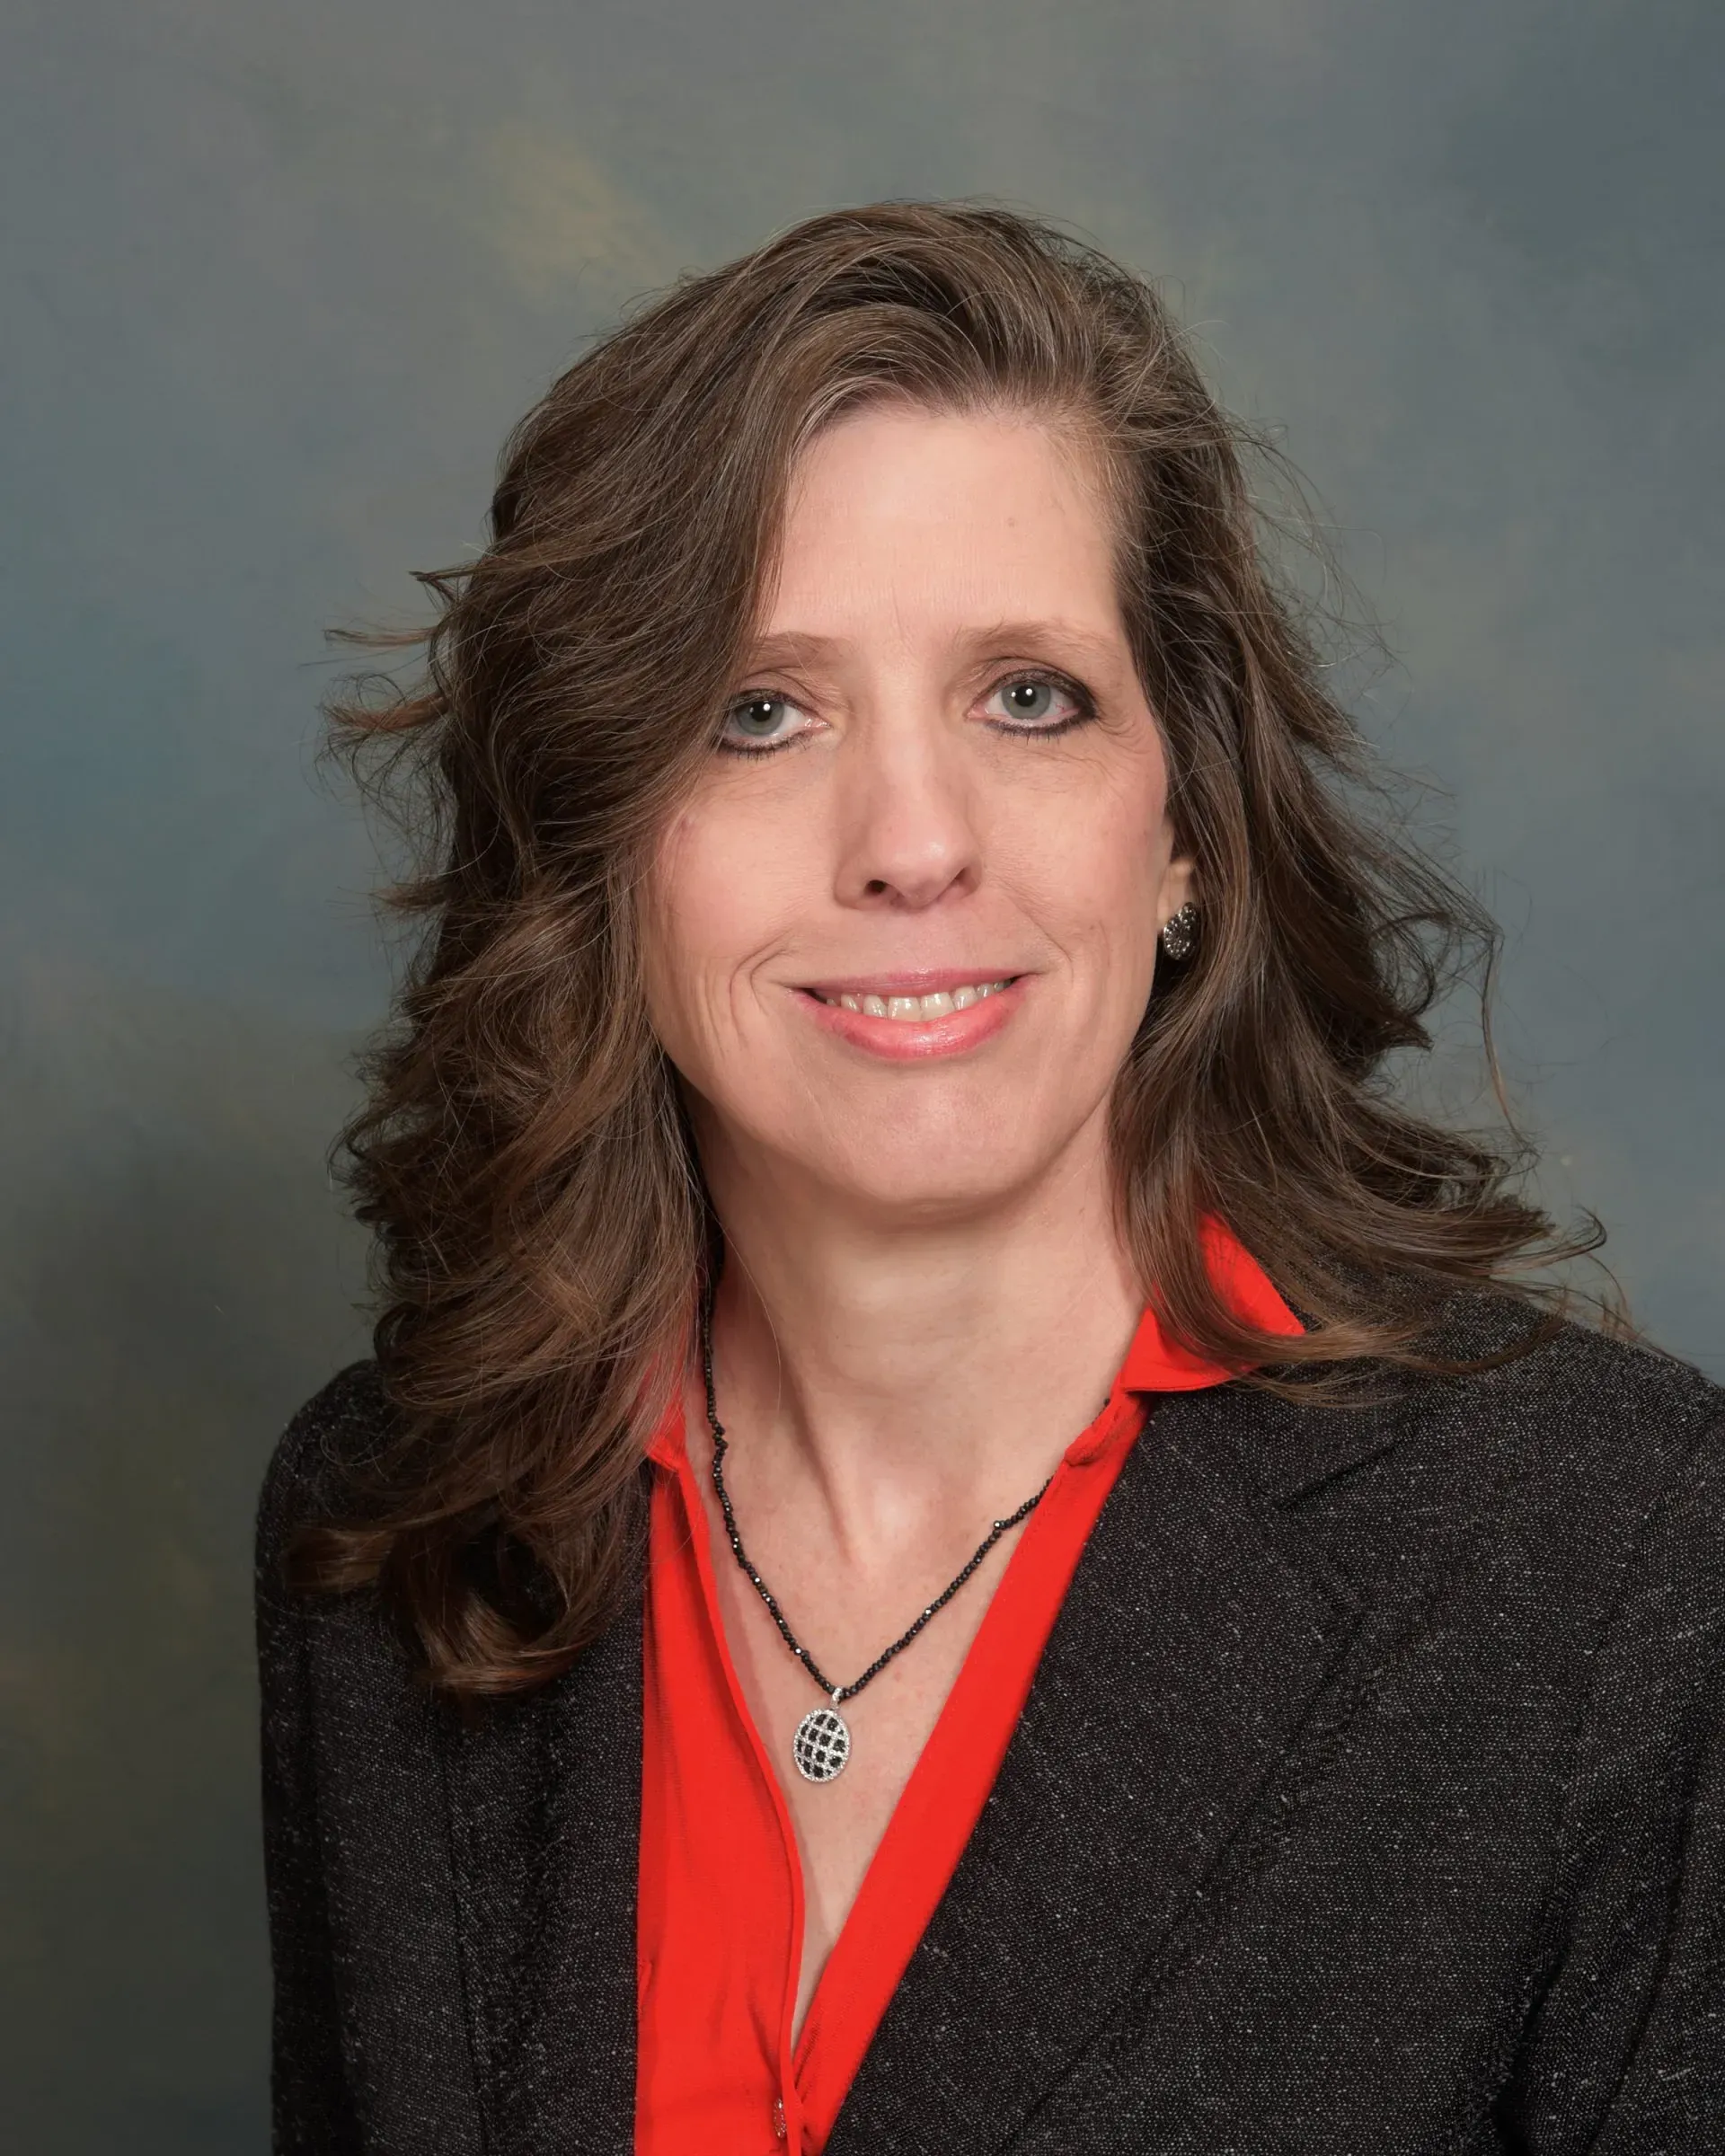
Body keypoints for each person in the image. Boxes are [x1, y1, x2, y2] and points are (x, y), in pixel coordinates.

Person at [256, 201, 1724, 2153]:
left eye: (1027, 695)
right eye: (760, 713)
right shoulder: (391, 1521)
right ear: (599, 837)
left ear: (1186, 826)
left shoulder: (1616, 1561)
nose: (913, 841)